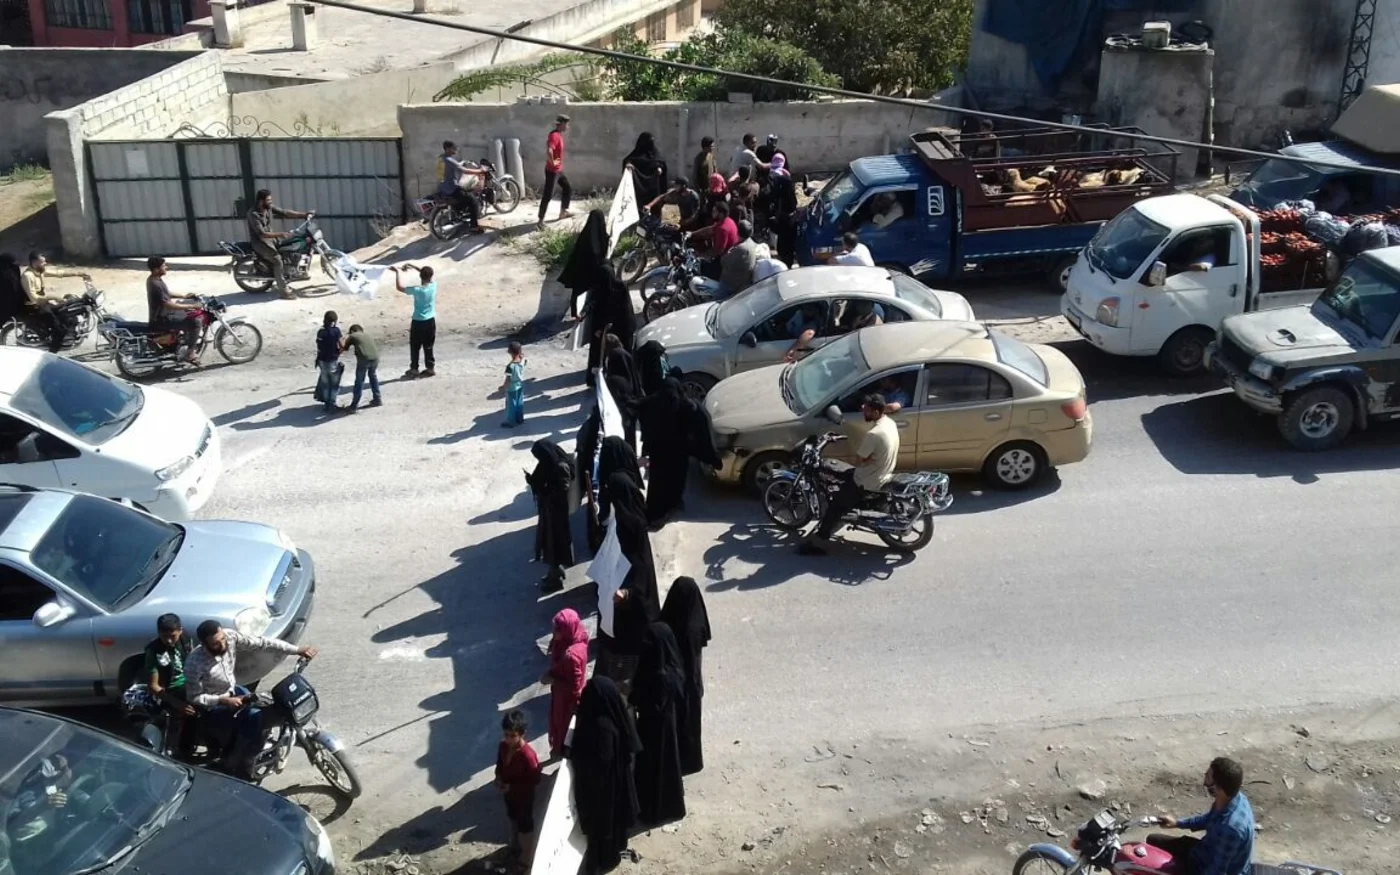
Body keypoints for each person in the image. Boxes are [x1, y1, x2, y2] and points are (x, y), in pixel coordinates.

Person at [184, 619, 317, 778]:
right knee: (255, 720)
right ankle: (240, 765)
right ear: (204, 644)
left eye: (222, 639)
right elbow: (194, 697)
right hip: (213, 707)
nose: (222, 644)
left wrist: (296, 650)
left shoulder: (229, 636)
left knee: (268, 704)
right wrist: (222, 700)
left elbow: (263, 643)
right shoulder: (194, 663)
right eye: (215, 644)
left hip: (233, 691)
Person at [799, 393, 899, 555]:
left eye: (866, 410)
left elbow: (859, 460)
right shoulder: (890, 423)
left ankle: (818, 543)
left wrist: (866, 462)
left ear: (875, 412)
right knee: (837, 468)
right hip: (881, 472)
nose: (863, 411)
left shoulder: (874, 434)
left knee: (835, 507)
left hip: (867, 480)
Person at [570, 676, 641, 875]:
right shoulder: (613, 717)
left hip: (603, 790)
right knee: (611, 827)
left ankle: (603, 861)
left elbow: (598, 761)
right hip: (615, 785)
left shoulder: (599, 726)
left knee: (602, 830)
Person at [1149, 757, 1255, 875]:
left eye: (1208, 776)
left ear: (1217, 788)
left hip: (1205, 866)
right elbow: (1209, 819)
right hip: (1203, 851)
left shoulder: (1230, 829)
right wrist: (1177, 823)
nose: (1204, 776)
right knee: (1152, 841)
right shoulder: (1233, 798)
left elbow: (1217, 871)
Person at [631, 622, 687, 827]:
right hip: (668, 725)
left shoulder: (656, 673)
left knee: (652, 771)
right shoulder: (674, 667)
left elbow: (640, 696)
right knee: (669, 767)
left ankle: (652, 810)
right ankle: (670, 806)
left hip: (652, 727)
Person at [602, 472, 661, 657]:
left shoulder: (628, 522)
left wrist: (629, 592)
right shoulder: (630, 511)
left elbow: (638, 564)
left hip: (632, 583)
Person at [636, 377, 702, 527]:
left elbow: (640, 409)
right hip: (678, 453)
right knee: (675, 480)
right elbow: (694, 421)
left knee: (658, 483)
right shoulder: (684, 405)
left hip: (658, 452)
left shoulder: (651, 402)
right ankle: (673, 504)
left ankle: (655, 512)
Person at [660, 576, 710, 775]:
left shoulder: (678, 625)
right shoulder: (695, 620)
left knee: (679, 724)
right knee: (692, 724)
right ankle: (693, 762)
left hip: (680, 683)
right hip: (694, 681)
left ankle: (681, 761)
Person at [144, 612, 197, 756]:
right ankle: (174, 749)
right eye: (164, 636)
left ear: (180, 630)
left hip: (191, 684)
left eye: (172, 636)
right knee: (180, 715)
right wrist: (177, 703)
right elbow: (153, 687)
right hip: (171, 691)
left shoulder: (185, 640)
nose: (168, 641)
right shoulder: (153, 651)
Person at [495, 710, 542, 868]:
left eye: (512, 735)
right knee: (513, 819)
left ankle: (526, 858)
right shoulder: (503, 746)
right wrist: (499, 778)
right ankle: (514, 847)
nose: (508, 739)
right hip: (509, 795)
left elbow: (535, 780)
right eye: (506, 734)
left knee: (525, 826)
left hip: (524, 798)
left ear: (522, 734)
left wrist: (512, 786)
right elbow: (500, 765)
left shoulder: (528, 756)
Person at [527, 438, 575, 593]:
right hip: (549, 512)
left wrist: (546, 491)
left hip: (556, 515)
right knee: (549, 544)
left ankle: (555, 578)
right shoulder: (548, 464)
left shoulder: (560, 467)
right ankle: (554, 571)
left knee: (554, 544)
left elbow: (562, 490)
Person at [542, 607, 590, 759]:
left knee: (562, 726)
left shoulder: (571, 656)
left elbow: (575, 687)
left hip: (566, 700)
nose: (554, 632)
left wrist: (552, 678)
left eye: (558, 629)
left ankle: (560, 750)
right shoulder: (577, 635)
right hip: (561, 693)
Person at [246, 188, 311, 299]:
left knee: (293, 242)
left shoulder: (268, 208)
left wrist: (304, 214)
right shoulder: (253, 214)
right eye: (268, 200)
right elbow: (262, 234)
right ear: (261, 201)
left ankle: (295, 271)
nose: (271, 202)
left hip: (271, 238)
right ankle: (284, 291)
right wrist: (280, 234)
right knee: (277, 261)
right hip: (261, 243)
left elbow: (285, 212)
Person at [21, 251, 90, 354]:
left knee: (66, 311)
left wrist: (80, 273)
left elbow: (59, 273)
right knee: (59, 329)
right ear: (34, 262)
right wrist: (54, 297)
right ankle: (51, 354)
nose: (45, 263)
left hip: (42, 303)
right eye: (42, 262)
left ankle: (68, 337)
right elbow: (33, 297)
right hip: (33, 307)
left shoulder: (40, 271)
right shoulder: (28, 276)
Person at [583, 266, 635, 388]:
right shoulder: (609, 287)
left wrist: (602, 328)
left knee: (619, 355)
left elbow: (616, 311)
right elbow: (594, 303)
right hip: (616, 327)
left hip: (621, 327)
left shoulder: (614, 289)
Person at [145, 255, 201, 363]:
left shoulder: (155, 279)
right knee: (196, 322)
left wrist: (184, 297)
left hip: (165, 314)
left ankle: (182, 341)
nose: (166, 267)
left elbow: (166, 293)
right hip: (161, 319)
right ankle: (189, 353)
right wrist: (192, 306)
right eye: (164, 266)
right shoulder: (155, 284)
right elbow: (168, 304)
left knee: (188, 312)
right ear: (156, 269)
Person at [559, 209, 609, 323]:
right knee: (593, 292)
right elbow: (602, 249)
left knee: (577, 292)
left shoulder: (585, 234)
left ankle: (576, 314)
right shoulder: (600, 234)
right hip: (592, 269)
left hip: (580, 270)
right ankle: (586, 312)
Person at [391, 263, 437, 378]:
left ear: (420, 276)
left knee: (415, 346)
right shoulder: (433, 286)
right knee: (428, 345)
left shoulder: (417, 290)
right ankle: (430, 367)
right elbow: (426, 274)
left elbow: (399, 287)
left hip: (418, 321)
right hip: (430, 320)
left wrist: (397, 273)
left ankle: (414, 368)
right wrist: (413, 266)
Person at [437, 139, 485, 232]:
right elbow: (464, 171)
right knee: (473, 201)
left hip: (442, 188)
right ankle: (474, 227)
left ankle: (462, 214)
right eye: (453, 148)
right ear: (447, 149)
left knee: (464, 196)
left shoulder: (440, 158)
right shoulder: (449, 159)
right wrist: (480, 171)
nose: (455, 150)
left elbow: (451, 167)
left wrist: (461, 163)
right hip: (451, 189)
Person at [537, 114, 573, 229]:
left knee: (567, 188)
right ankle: (540, 221)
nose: (568, 126)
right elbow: (549, 151)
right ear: (561, 124)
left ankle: (563, 212)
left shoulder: (558, 134)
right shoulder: (554, 136)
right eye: (566, 124)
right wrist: (553, 163)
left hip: (558, 170)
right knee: (547, 195)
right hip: (552, 171)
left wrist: (557, 163)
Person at [342, 323, 383, 411]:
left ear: (352, 331)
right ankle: (377, 399)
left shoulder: (353, 336)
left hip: (364, 359)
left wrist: (343, 339)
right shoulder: (367, 335)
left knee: (359, 381)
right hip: (375, 358)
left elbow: (345, 348)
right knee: (373, 376)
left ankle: (354, 406)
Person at [623, 132, 668, 206]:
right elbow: (628, 160)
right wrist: (628, 165)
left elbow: (661, 162)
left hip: (654, 187)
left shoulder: (655, 153)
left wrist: (660, 167)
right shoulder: (636, 155)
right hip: (639, 187)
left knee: (655, 209)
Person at [718, 218, 760, 295]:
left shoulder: (740, 249)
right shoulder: (751, 242)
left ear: (738, 231)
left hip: (732, 285)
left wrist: (727, 252)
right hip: (744, 281)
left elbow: (723, 262)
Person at [314, 310, 343, 414]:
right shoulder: (336, 331)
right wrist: (338, 353)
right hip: (332, 360)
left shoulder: (320, 331)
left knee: (325, 383)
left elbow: (319, 346)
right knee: (334, 384)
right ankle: (332, 404)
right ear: (334, 321)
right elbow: (341, 346)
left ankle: (326, 404)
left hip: (321, 360)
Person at [502, 340, 527, 427]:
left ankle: (511, 421)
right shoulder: (522, 362)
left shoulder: (510, 366)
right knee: (519, 402)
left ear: (509, 352)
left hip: (512, 387)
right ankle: (519, 418)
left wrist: (503, 387)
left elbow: (508, 379)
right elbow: (525, 360)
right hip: (520, 384)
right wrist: (521, 356)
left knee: (511, 404)